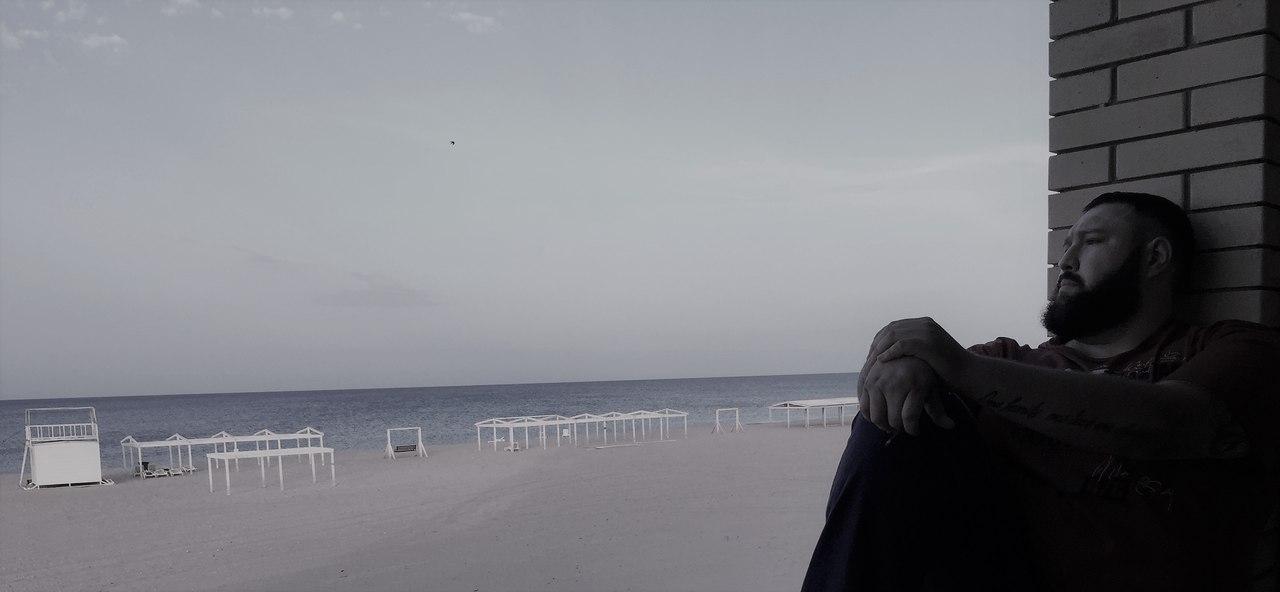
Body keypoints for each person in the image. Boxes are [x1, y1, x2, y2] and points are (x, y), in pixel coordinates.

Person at [802, 192, 1280, 592]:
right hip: (995, 573)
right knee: (897, 426)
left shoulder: (1234, 347)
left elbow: (1173, 422)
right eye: (1066, 245)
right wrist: (907, 361)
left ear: (1155, 257)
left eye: (1092, 242)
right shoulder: (1007, 359)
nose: (1065, 261)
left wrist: (957, 366)